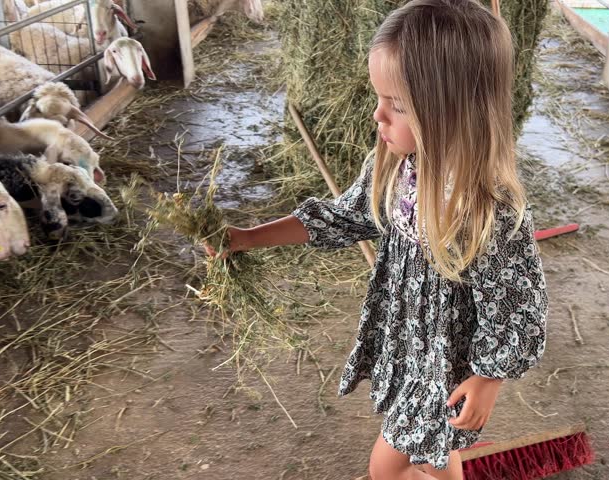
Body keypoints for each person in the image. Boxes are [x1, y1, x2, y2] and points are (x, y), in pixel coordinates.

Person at [204, 0, 548, 478]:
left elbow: (516, 304)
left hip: (446, 359)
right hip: (406, 341)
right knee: (433, 451)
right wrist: (244, 238)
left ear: (451, 107)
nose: (377, 116)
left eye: (398, 105)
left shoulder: (484, 209)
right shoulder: (394, 169)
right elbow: (340, 217)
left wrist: (489, 378)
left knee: (385, 468)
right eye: (379, 97)